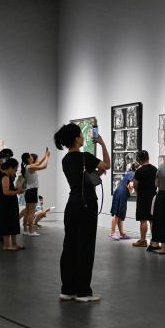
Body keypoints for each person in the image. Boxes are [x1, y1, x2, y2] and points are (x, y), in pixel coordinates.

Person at [54, 122, 110, 302]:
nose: (83, 137)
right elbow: (107, 164)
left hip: (72, 205)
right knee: (85, 247)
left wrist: (97, 173)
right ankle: (83, 292)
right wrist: (102, 144)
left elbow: (82, 180)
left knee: (69, 247)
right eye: (81, 134)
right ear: (77, 138)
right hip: (87, 205)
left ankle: (67, 290)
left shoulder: (65, 160)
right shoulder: (85, 156)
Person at [132, 150, 159, 250]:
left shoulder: (139, 171)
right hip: (153, 197)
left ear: (139, 159)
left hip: (142, 197)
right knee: (152, 220)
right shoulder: (155, 169)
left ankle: (143, 240)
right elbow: (157, 183)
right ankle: (154, 241)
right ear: (148, 157)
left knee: (143, 220)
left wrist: (138, 192)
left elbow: (135, 185)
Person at [20, 150, 50, 236]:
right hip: (32, 191)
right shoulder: (30, 167)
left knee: (27, 212)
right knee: (31, 212)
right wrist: (47, 157)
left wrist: (45, 156)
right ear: (28, 159)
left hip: (29, 191)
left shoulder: (28, 166)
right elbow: (44, 166)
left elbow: (39, 163)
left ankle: (26, 230)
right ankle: (31, 231)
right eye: (30, 156)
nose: (32, 157)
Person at [0, 158, 24, 251]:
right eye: (15, 169)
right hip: (6, 205)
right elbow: (6, 192)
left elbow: (8, 190)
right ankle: (6, 245)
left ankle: (14, 243)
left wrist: (16, 190)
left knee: (13, 223)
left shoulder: (7, 176)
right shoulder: (5, 177)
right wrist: (17, 191)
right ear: (10, 168)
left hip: (10, 204)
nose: (16, 171)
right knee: (7, 223)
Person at [109, 163, 137, 240]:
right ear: (136, 168)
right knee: (117, 213)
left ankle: (121, 233)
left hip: (122, 193)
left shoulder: (130, 173)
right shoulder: (133, 173)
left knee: (120, 214)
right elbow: (131, 185)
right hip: (121, 193)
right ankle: (112, 232)